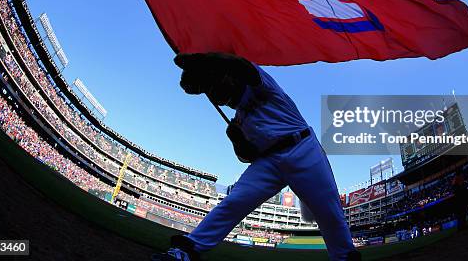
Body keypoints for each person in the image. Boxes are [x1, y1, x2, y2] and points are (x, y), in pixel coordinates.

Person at [154, 52, 360, 261]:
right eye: (211, 89)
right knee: (235, 200)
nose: (215, 93)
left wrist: (203, 61)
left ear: (228, 78)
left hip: (302, 148)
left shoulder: (259, 84)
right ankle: (188, 250)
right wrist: (237, 140)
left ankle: (344, 257)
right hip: (269, 161)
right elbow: (247, 157)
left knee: (328, 211)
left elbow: (242, 66)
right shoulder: (238, 119)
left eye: (215, 85)